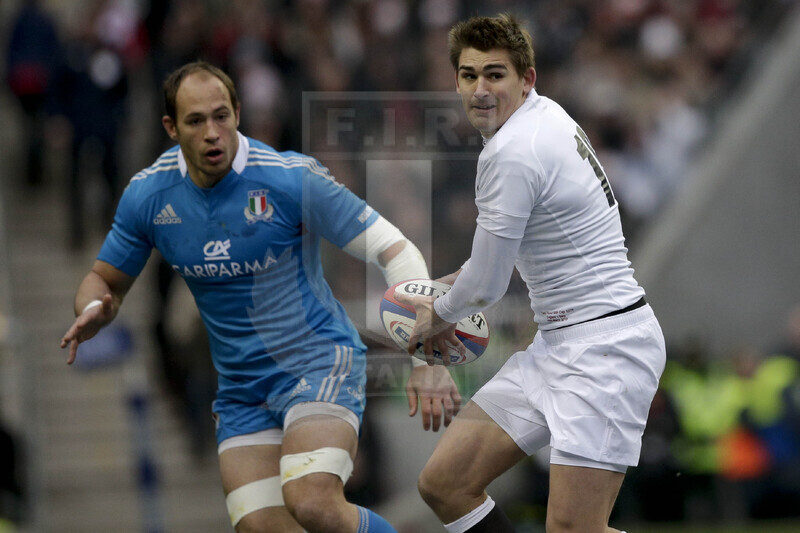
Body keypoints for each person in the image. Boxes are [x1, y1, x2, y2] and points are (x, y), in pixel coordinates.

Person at [60, 61, 460, 533]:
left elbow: (399, 251)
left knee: (312, 502)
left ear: (237, 113)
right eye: (195, 121)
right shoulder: (149, 196)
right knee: (260, 527)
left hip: (316, 364)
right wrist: (93, 308)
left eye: (221, 116)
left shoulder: (290, 179)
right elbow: (102, 280)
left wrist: (425, 359)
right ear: (171, 127)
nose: (213, 133)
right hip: (241, 390)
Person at [396, 14, 666, 533]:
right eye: (469, 75)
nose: (480, 88)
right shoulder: (540, 119)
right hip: (559, 345)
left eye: (495, 74)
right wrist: (446, 294)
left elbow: (489, 286)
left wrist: (438, 316)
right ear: (455, 81)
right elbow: (489, 266)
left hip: (605, 349)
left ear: (527, 78)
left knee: (573, 529)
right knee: (445, 484)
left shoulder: (513, 151)